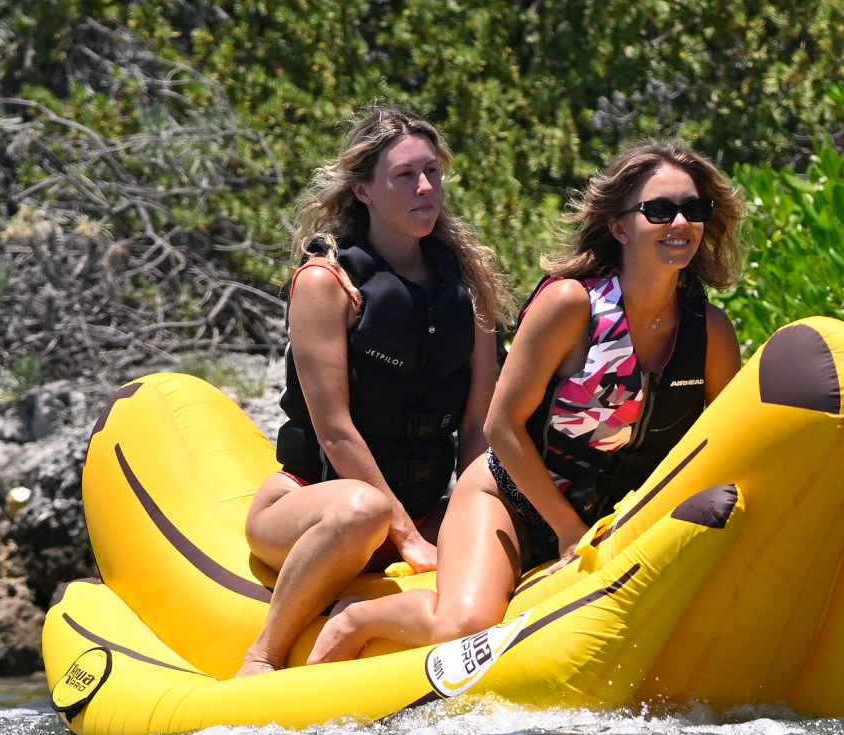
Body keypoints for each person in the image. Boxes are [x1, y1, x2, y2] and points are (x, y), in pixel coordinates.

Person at [307, 139, 746, 665]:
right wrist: (567, 532)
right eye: (659, 210)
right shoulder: (570, 305)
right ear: (620, 227)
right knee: (466, 626)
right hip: (509, 501)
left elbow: (722, 444)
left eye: (694, 210)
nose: (680, 223)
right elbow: (501, 426)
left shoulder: (710, 334)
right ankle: (358, 615)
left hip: (617, 515)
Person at [236, 105, 514, 677]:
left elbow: (477, 428)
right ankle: (262, 655)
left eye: (433, 172)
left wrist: (473, 513)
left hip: (424, 505)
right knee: (362, 510)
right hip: (312, 504)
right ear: (362, 190)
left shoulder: (468, 287)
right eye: (405, 176)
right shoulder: (325, 283)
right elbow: (335, 430)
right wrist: (408, 537)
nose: (425, 187)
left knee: (504, 522)